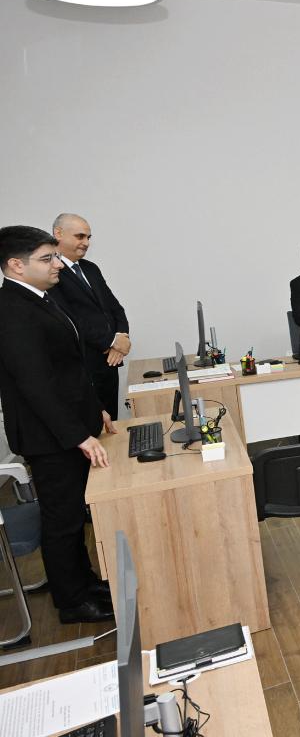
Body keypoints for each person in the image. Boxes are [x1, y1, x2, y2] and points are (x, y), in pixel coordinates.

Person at [0, 225, 115, 624]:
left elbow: (69, 369)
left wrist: (95, 410)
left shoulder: (39, 299)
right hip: (48, 437)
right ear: (16, 265)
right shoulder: (12, 310)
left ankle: (84, 582)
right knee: (62, 519)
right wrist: (78, 435)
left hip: (65, 427)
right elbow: (36, 385)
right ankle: (72, 601)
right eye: (47, 259)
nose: (58, 265)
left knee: (72, 515)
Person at [47, 213, 131, 420]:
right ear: (58, 234)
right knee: (93, 425)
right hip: (84, 365)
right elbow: (69, 318)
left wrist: (122, 337)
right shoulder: (50, 273)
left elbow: (115, 309)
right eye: (80, 236)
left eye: (88, 237)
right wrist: (112, 342)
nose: (86, 243)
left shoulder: (90, 268)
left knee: (112, 422)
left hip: (109, 362)